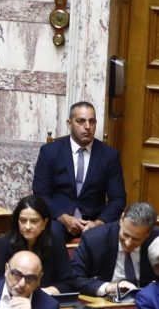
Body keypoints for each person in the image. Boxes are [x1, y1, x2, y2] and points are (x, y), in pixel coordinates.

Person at [31, 101, 125, 236]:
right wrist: (63, 217)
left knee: (107, 236)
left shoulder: (109, 156)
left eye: (92, 121)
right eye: (81, 121)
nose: (87, 127)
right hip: (59, 219)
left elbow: (118, 199)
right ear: (69, 124)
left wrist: (99, 222)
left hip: (94, 221)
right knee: (51, 234)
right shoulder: (50, 152)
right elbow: (40, 193)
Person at [65, 201, 159, 299]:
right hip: (103, 301)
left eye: (136, 239)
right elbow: (75, 278)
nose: (128, 243)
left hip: (147, 302)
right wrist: (108, 287)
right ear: (121, 219)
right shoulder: (94, 239)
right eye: (126, 235)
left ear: (148, 234)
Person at [0, 195, 70, 293]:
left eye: (34, 221)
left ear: (44, 223)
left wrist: (42, 294)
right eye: (23, 220)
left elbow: (68, 282)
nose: (27, 226)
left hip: (45, 298)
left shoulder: (56, 242)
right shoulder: (3, 243)